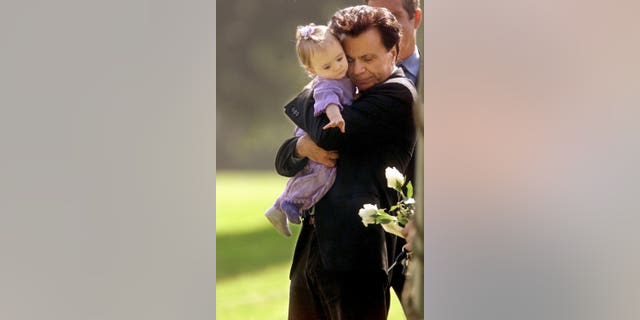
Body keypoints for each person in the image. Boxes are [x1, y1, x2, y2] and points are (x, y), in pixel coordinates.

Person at [274, 5, 417, 319]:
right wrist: (300, 145)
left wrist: (318, 79)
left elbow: (328, 138)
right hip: (313, 249)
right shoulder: (347, 94)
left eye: (368, 58)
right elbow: (284, 161)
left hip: (357, 260)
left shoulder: (397, 95)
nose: (357, 69)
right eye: (348, 59)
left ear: (393, 52)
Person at [264, 24, 355, 237]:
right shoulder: (326, 84)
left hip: (312, 133)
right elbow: (329, 102)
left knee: (315, 173)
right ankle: (291, 203)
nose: (337, 68)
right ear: (313, 71)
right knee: (322, 174)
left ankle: (278, 207)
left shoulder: (342, 78)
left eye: (340, 59)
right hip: (313, 134)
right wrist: (336, 117)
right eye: (327, 66)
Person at [366, 0, 422, 85]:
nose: (383, 28)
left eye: (393, 17)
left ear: (417, 19)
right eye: (374, 18)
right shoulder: (349, 79)